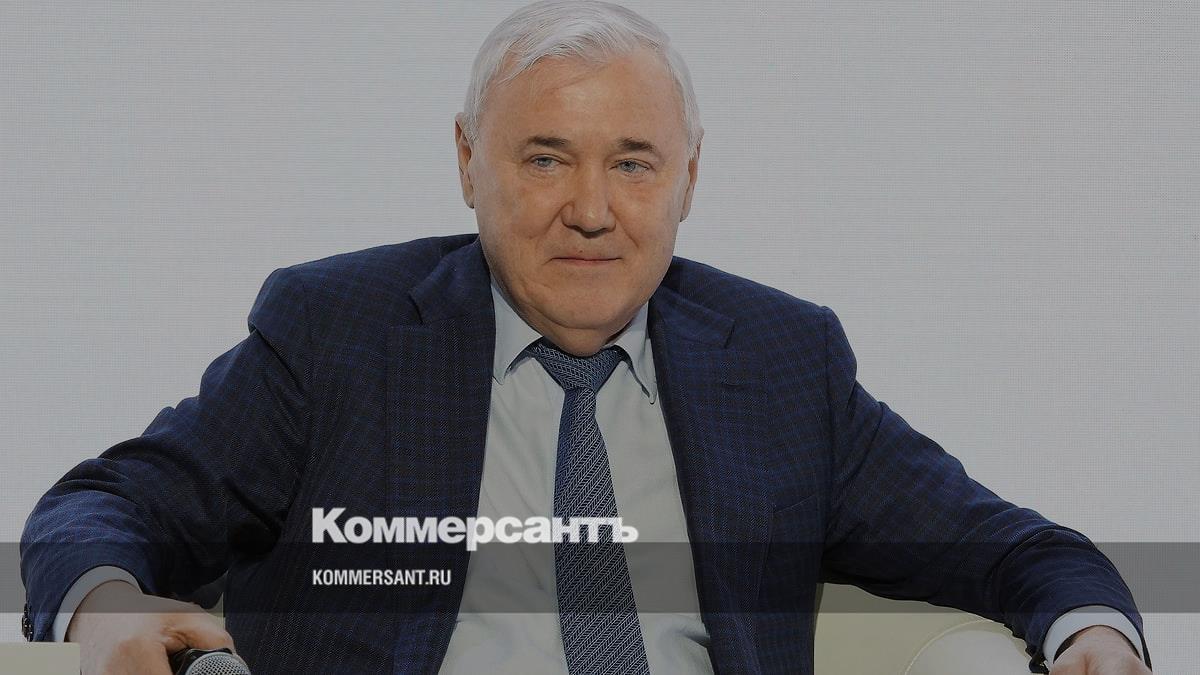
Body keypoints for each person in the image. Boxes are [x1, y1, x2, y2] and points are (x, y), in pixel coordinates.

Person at [20, 2, 1152, 673]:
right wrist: (110, 608)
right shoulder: (339, 334)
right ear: (469, 162)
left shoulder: (780, 363)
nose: (593, 210)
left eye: (634, 163)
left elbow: (1015, 550)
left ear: (690, 177)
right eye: (547, 158)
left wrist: (1092, 632)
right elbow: (102, 505)